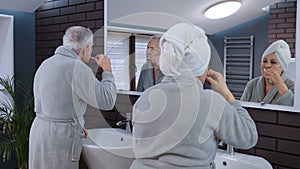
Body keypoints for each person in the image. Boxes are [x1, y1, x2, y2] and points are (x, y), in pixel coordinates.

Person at [130, 23, 258, 169]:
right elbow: (248, 137)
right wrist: (227, 94)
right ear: (201, 65)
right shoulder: (211, 102)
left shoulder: (144, 98)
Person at [29, 26, 117, 169]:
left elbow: (58, 102)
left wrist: (77, 123)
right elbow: (107, 101)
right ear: (85, 48)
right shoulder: (78, 69)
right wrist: (107, 70)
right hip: (60, 138)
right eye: (91, 47)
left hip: (39, 133)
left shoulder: (46, 63)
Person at [240, 40, 294, 106]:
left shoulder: (292, 86)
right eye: (264, 61)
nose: (267, 65)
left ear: (282, 67)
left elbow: (294, 112)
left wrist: (279, 84)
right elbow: (241, 109)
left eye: (273, 62)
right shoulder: (252, 85)